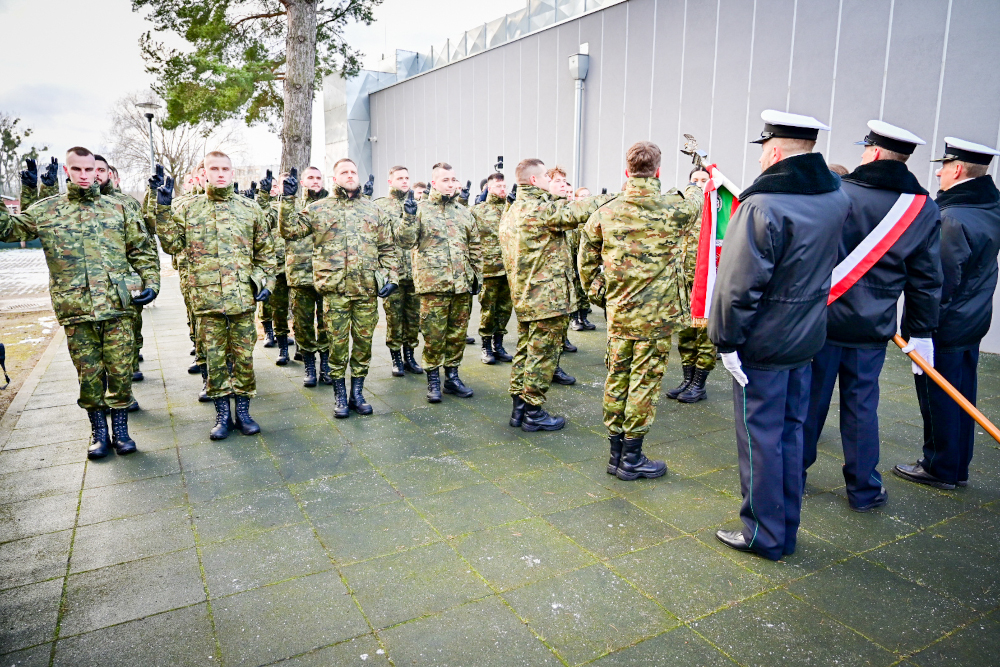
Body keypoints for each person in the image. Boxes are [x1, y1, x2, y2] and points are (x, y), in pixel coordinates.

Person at [709, 110, 850, 560]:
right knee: (790, 434)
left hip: (764, 341)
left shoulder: (763, 204)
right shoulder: (836, 197)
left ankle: (764, 534)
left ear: (772, 150)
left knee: (760, 439)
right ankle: (783, 526)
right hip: (806, 335)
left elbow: (736, 286)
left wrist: (726, 341)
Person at [803, 121, 943, 512]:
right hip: (873, 325)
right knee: (862, 409)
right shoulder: (923, 208)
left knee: (809, 403)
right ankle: (864, 490)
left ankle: (794, 476)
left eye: (866, 149)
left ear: (876, 152)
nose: (863, 154)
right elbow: (927, 279)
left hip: (824, 320)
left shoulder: (837, 191)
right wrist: (920, 331)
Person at [1, 147, 160, 459]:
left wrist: (152, 281)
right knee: (88, 374)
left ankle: (122, 432)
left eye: (90, 170)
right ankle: (99, 433)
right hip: (76, 308)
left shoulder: (118, 207)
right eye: (78, 170)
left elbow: (141, 248)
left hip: (118, 305)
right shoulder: (48, 210)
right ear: (67, 172)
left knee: (120, 370)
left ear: (97, 170)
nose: (86, 176)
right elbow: (7, 229)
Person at [580, 141, 702, 480]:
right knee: (643, 383)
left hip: (620, 313)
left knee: (617, 377)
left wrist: (598, 293)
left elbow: (586, 257)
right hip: (656, 317)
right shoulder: (673, 208)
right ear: (658, 171)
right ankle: (631, 458)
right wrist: (697, 178)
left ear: (626, 170)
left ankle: (615, 454)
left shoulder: (605, 211)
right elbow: (697, 201)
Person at [894, 137, 1000, 490]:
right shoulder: (989, 207)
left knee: (939, 397)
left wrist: (920, 329)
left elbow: (939, 282)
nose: (938, 172)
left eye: (944, 165)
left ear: (957, 169)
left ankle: (939, 466)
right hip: (971, 319)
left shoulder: (952, 217)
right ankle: (956, 466)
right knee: (961, 396)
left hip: (945, 324)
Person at [156, 150, 275, 440]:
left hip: (241, 300)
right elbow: (171, 245)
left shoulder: (250, 210)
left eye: (225, 169)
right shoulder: (189, 209)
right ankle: (222, 415)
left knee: (244, 358)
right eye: (214, 169)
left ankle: (243, 412)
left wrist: (262, 283)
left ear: (232, 173)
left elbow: (266, 254)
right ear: (205, 173)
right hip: (207, 302)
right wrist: (161, 208)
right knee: (215, 360)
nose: (220, 174)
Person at [281, 158, 399, 418]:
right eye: (344, 172)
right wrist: (287, 200)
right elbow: (290, 231)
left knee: (363, 345)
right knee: (337, 345)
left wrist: (391, 277)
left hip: (366, 290)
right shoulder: (319, 208)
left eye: (353, 171)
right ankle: (339, 394)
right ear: (335, 178)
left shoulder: (373, 210)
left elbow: (387, 248)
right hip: (335, 292)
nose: (350, 175)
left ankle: (357, 392)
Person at [500, 158, 612, 431]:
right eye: (548, 179)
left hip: (527, 295)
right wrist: (623, 195)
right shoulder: (538, 209)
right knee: (543, 354)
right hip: (546, 298)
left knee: (526, 351)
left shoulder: (514, 210)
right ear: (535, 181)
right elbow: (578, 209)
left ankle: (519, 408)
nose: (553, 184)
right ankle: (533, 412)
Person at [396, 162, 483, 403]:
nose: (452, 184)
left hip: (461, 285)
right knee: (434, 335)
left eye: (454, 179)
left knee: (457, 334)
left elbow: (475, 246)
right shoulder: (420, 210)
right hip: (433, 284)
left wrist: (477, 275)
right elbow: (405, 242)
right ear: (434, 182)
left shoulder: (464, 212)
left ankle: (452, 377)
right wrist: (409, 217)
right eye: (446, 180)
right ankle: (433, 379)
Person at [94, 155, 150, 399]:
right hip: (92, 289)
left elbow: (143, 241)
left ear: (111, 176)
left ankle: (130, 370)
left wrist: (146, 279)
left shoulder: (127, 204)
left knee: (129, 329)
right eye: (90, 169)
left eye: (100, 170)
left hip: (126, 281)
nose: (95, 174)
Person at [666, 166, 716, 404]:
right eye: (694, 179)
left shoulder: (718, 208)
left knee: (706, 336)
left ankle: (699, 383)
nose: (698, 183)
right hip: (683, 282)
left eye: (703, 179)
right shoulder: (685, 208)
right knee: (685, 333)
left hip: (707, 283)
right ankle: (687, 379)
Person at [284, 166, 332, 385]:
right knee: (302, 325)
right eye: (310, 178)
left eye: (318, 178)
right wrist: (286, 197)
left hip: (327, 275)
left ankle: (326, 365)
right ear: (302, 182)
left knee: (327, 324)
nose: (315, 181)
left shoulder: (331, 205)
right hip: (300, 275)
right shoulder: (291, 205)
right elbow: (283, 229)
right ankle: (309, 366)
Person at [374, 165, 424, 376]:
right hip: (392, 273)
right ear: (390, 181)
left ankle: (410, 356)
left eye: (407, 178)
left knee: (413, 319)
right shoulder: (379, 206)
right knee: (394, 319)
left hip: (415, 272)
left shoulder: (418, 205)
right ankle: (396, 358)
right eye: (400, 178)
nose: (404, 181)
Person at [470, 172, 514, 365]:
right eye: (498, 186)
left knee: (505, 309)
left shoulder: (511, 209)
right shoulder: (479, 211)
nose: (502, 190)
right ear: (488, 188)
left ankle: (499, 344)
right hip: (489, 269)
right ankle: (486, 345)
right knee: (489, 309)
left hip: (509, 269)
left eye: (504, 186)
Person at [544, 167, 583, 386]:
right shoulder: (546, 209)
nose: (563, 185)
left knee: (559, 329)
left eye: (565, 181)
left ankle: (555, 366)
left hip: (563, 278)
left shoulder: (564, 209)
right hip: (546, 283)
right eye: (557, 181)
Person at [256, 170, 291, 354]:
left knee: (293, 308)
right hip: (273, 264)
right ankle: (273, 336)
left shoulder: (292, 205)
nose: (276, 188)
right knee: (272, 304)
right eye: (276, 185)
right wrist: (262, 194)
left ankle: (293, 342)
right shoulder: (267, 208)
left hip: (292, 264)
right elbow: (262, 219)